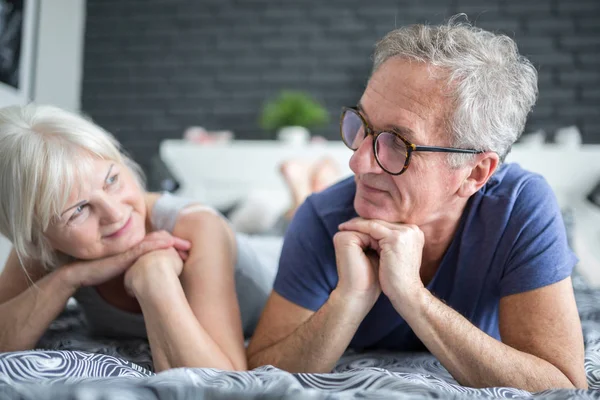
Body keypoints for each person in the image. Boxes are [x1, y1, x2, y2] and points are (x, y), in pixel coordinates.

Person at [247, 18, 588, 391]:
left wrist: (411, 295)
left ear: (475, 173)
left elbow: (564, 386)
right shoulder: (322, 217)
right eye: (362, 125)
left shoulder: (519, 208)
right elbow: (261, 372)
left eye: (397, 142)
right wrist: (349, 299)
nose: (358, 162)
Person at [0, 104, 294, 372]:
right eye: (78, 210)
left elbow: (224, 381)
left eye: (112, 180)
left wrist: (155, 277)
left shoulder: (196, 226)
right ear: (38, 237)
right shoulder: (42, 246)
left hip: (279, 262)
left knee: (283, 228)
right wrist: (69, 277)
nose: (115, 214)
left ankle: (299, 194)